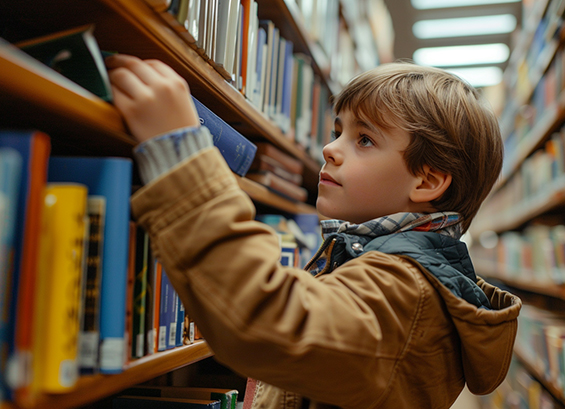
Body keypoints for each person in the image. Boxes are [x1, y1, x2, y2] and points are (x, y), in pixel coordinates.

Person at [105, 54, 522, 409]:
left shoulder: (408, 291)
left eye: (364, 140)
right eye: (338, 131)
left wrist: (181, 155)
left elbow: (270, 323)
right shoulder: (379, 263)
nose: (330, 149)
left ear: (427, 182)